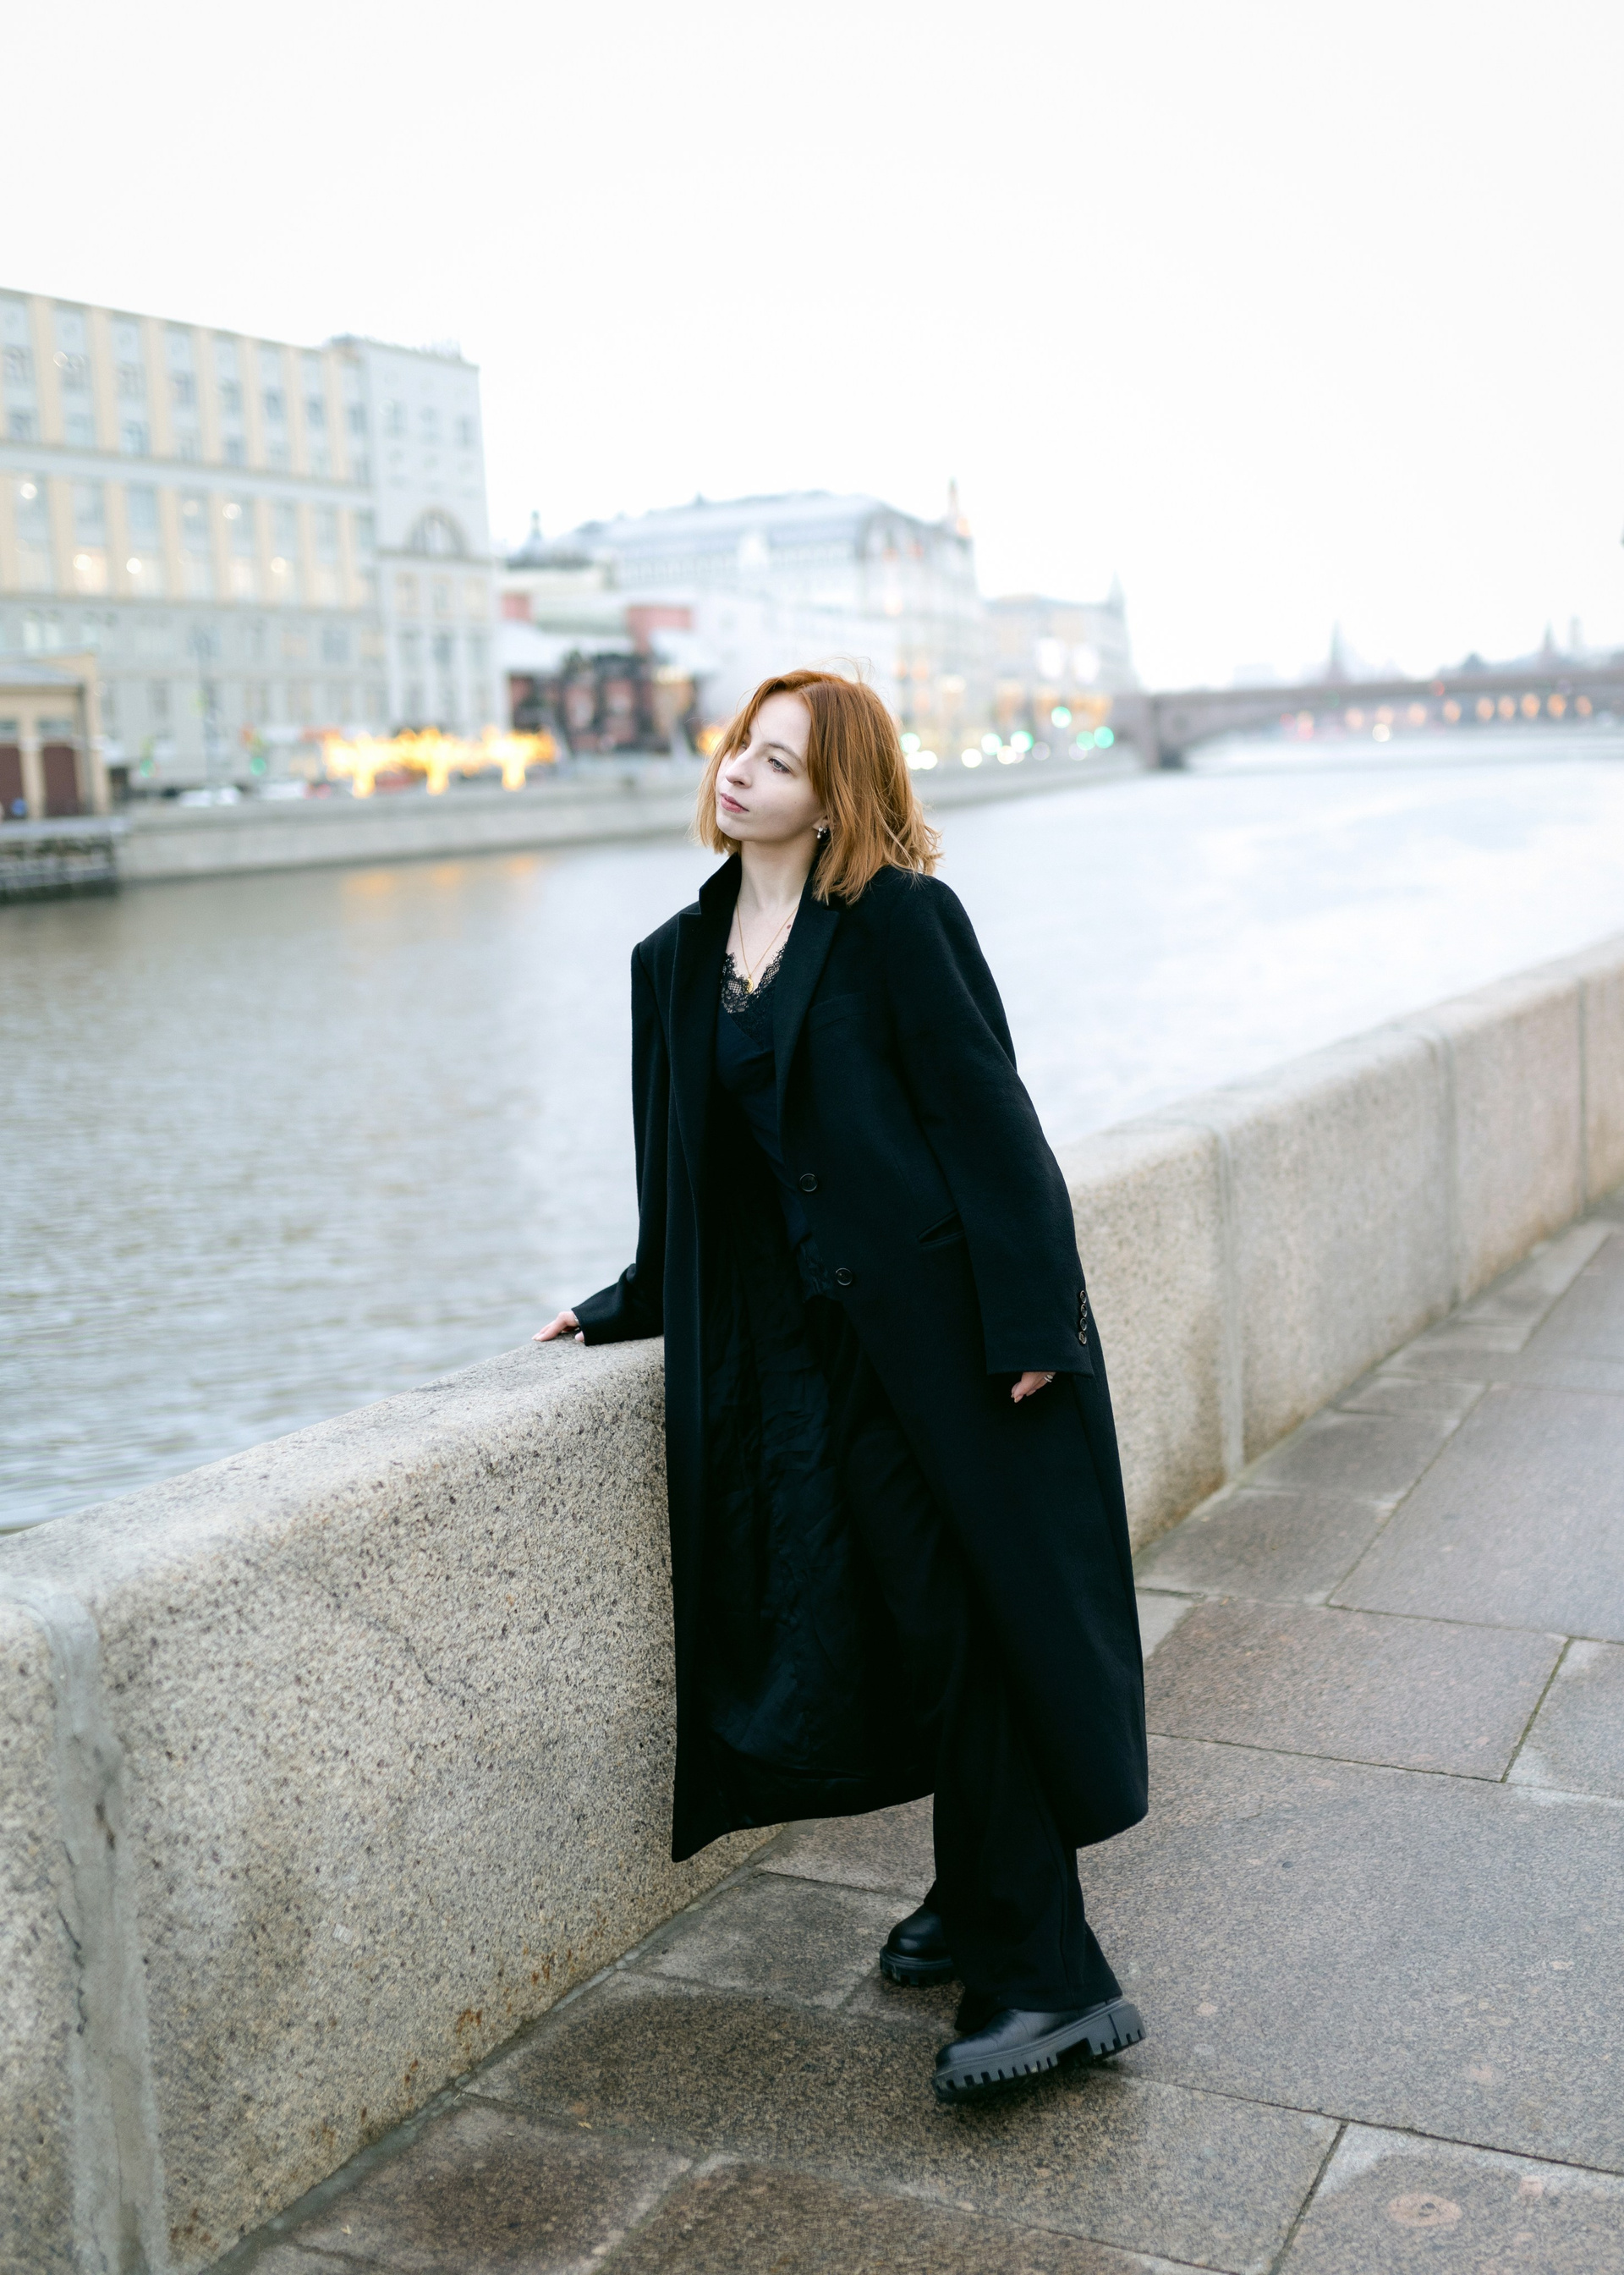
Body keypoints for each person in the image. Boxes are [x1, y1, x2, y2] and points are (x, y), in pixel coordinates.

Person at [536, 669, 1148, 2102]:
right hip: (805, 1367)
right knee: (907, 1627)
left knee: (968, 1629)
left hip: (949, 1346)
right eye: (740, 748)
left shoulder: (899, 921)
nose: (742, 773)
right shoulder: (674, 960)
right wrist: (629, 1301)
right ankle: (978, 1893)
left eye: (782, 762)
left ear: (835, 797)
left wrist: (1034, 1321)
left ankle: (1052, 1979)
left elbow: (992, 1122)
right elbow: (688, 1183)